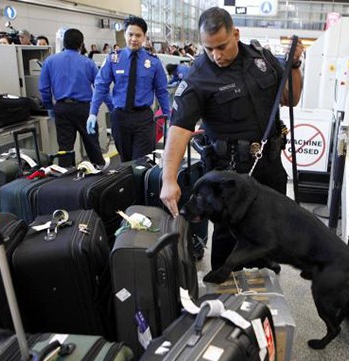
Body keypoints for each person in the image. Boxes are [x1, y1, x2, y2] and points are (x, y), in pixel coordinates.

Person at [159, 6, 303, 274]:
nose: (216, 55)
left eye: (222, 46)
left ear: (235, 34)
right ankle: (224, 292)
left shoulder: (263, 59)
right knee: (228, 236)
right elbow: (179, 129)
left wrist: (293, 65)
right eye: (208, 49)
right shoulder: (198, 76)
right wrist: (168, 179)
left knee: (269, 227)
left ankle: (265, 282)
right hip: (229, 174)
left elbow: (289, 98)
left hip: (269, 166)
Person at [88, 16, 170, 162]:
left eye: (138, 35)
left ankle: (140, 184)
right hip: (120, 118)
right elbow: (101, 86)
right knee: (125, 162)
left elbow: (162, 90)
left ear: (144, 37)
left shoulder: (153, 62)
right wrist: (93, 112)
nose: (134, 39)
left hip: (143, 119)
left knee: (141, 162)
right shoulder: (114, 59)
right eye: (130, 34)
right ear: (125, 34)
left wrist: (167, 115)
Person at [39, 28, 109, 167]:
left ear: (63, 43)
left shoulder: (50, 61)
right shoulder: (88, 63)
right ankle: (99, 172)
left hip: (62, 108)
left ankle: (66, 176)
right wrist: (111, 106)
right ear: (81, 44)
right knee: (92, 144)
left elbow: (44, 89)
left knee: (65, 148)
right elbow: (101, 87)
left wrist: (50, 108)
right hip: (84, 109)